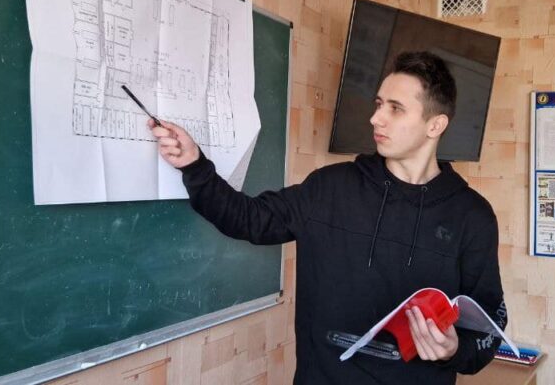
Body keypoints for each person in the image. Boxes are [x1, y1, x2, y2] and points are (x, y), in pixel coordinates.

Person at [149, 51, 507, 384]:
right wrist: (195, 166)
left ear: (435, 125)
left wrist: (454, 348)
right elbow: (248, 218)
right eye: (378, 104)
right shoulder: (329, 188)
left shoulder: (472, 217)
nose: (376, 118)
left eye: (396, 109)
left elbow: (489, 326)